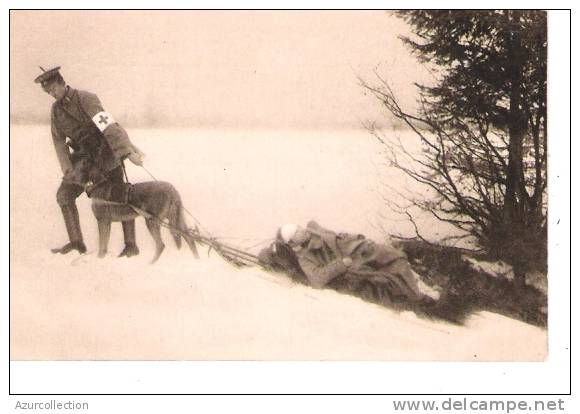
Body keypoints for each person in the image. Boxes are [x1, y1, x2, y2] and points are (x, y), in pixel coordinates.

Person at [35, 66, 144, 256]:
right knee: (64, 195)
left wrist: (126, 152)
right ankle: (76, 243)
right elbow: (58, 141)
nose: (51, 94)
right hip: (83, 162)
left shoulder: (86, 98)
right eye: (48, 92)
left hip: (105, 155)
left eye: (53, 89)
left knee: (120, 195)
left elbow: (108, 126)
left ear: (62, 83)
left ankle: (131, 246)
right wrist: (68, 169)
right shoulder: (56, 110)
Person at [259, 221, 439, 305]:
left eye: (298, 227)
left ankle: (418, 294)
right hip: (353, 263)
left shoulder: (315, 232)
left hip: (357, 250)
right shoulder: (305, 257)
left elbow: (336, 236)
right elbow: (317, 279)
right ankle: (418, 298)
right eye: (297, 232)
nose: (301, 229)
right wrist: (342, 264)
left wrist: (355, 238)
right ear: (293, 242)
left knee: (395, 257)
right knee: (391, 272)